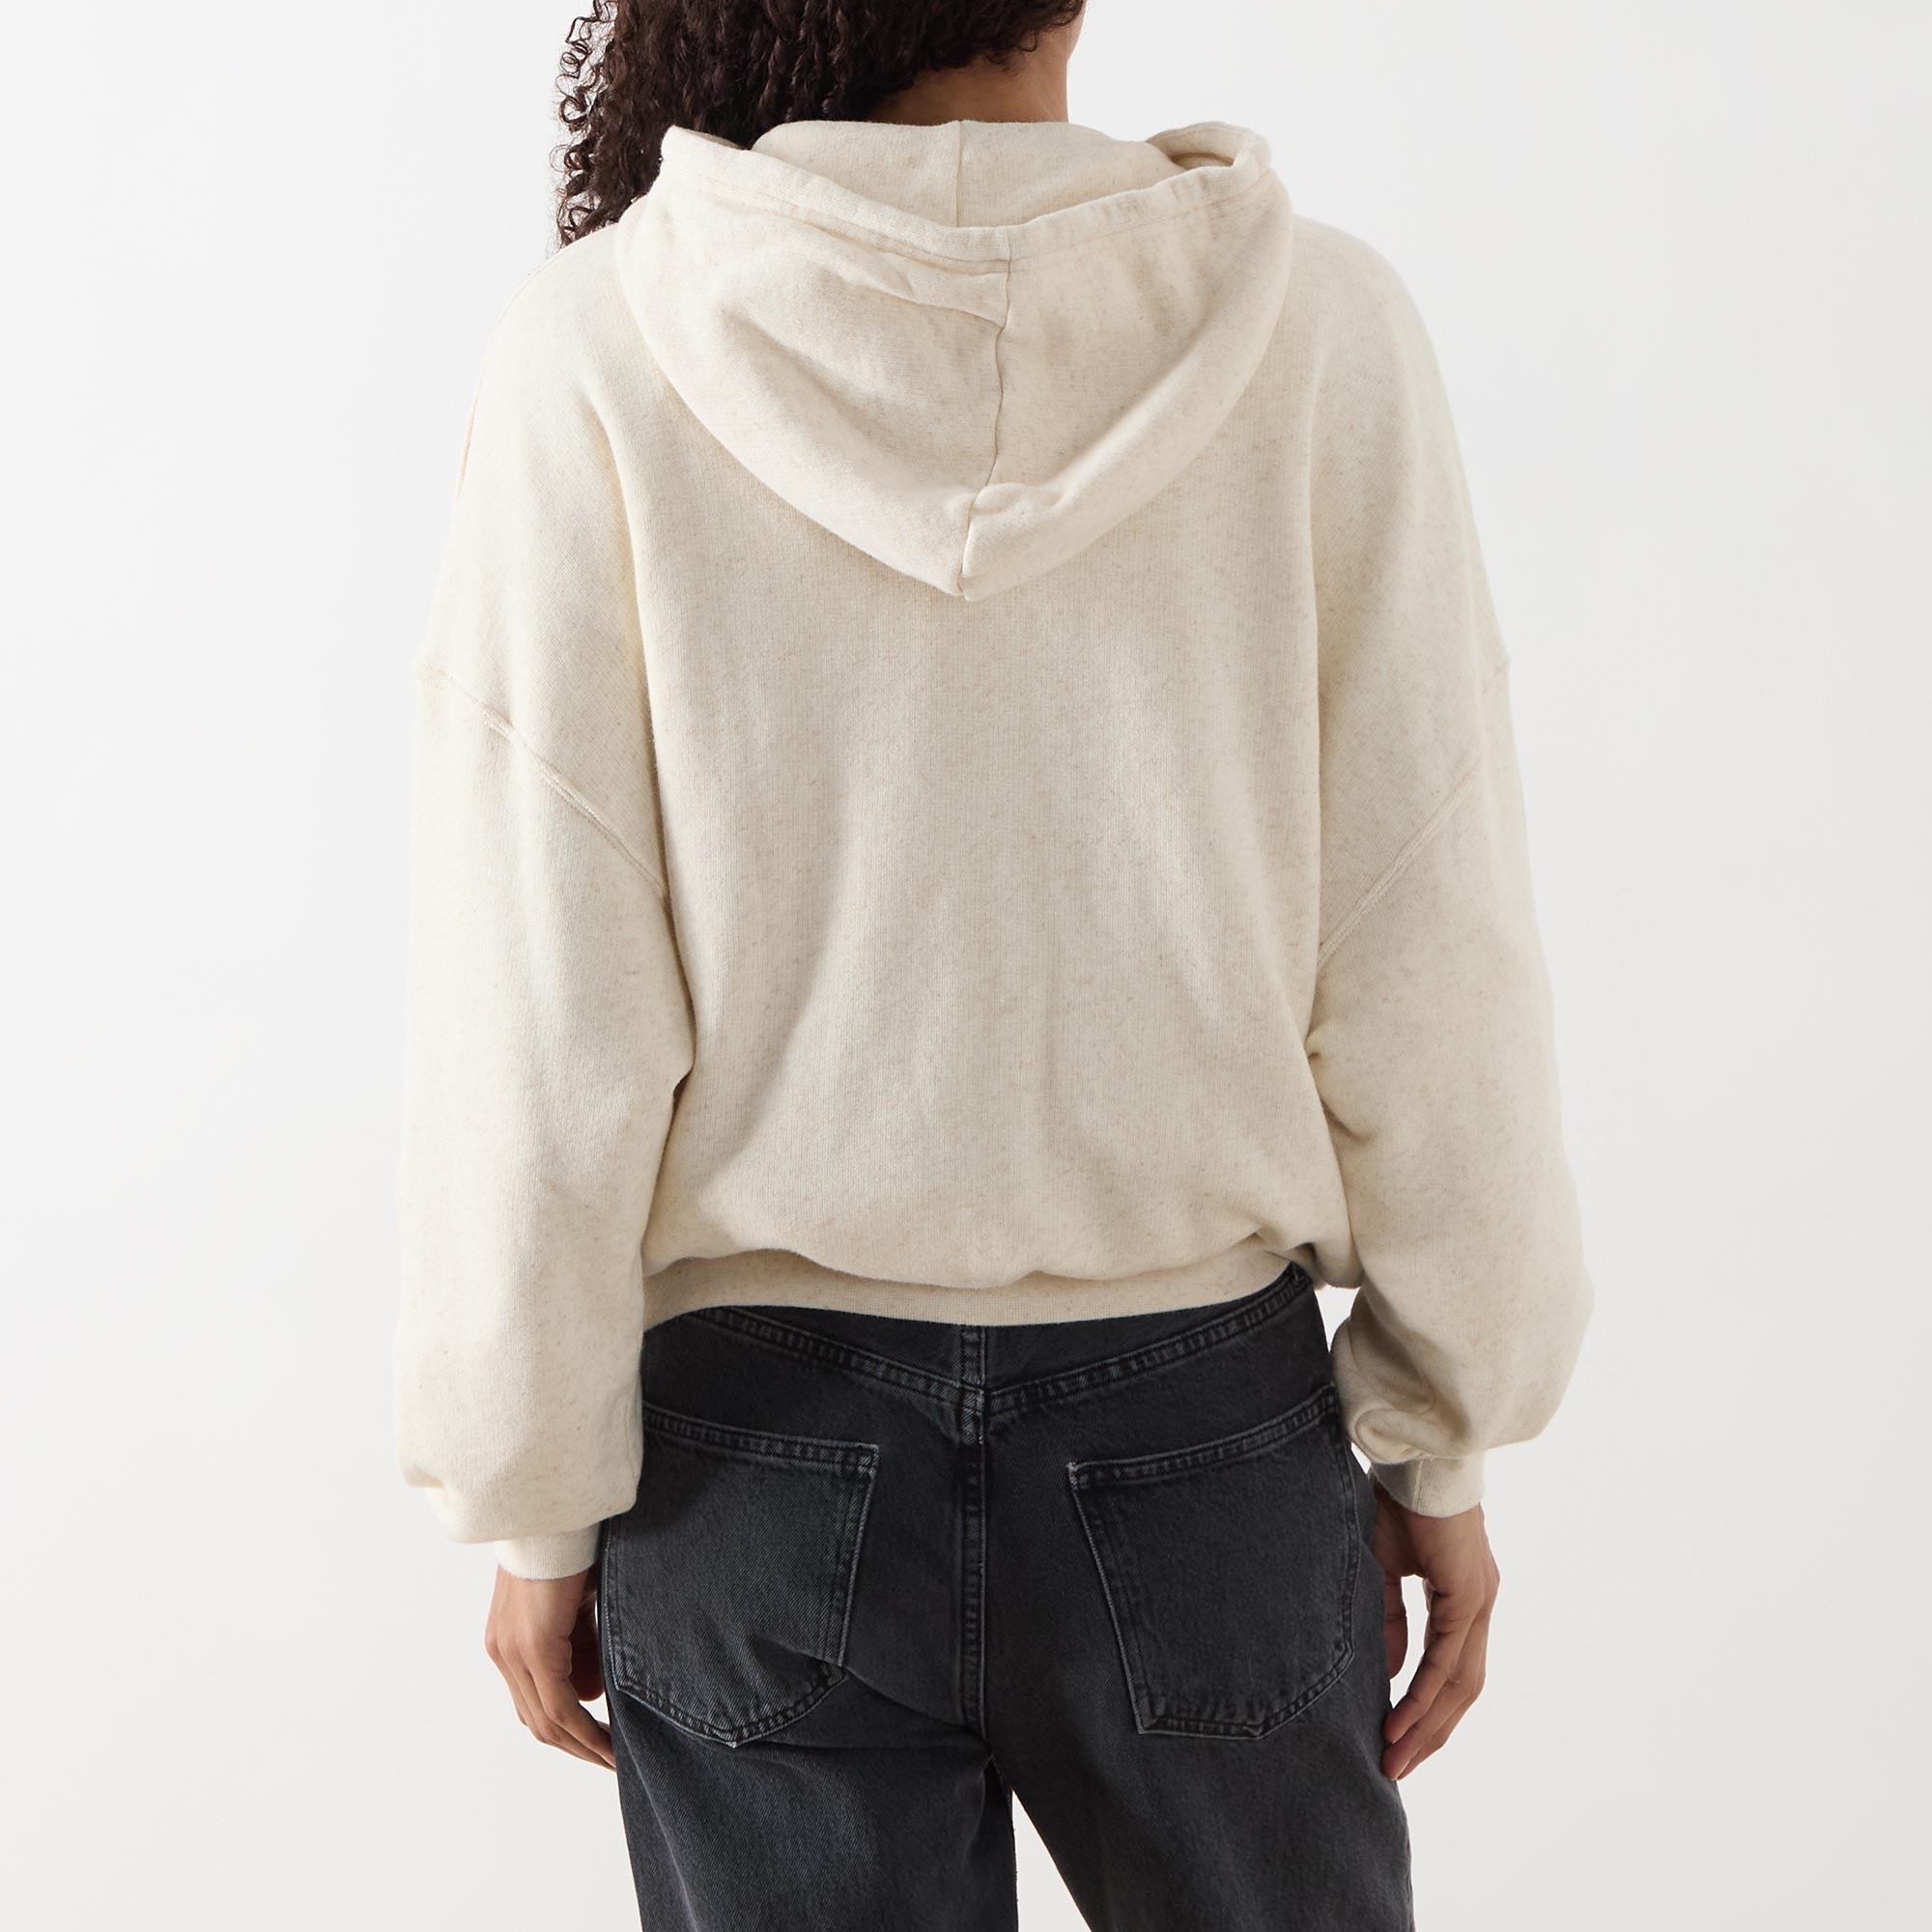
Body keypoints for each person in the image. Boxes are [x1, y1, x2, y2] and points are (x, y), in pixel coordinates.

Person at [393, 3, 1592, 1925]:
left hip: (754, 1462)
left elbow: (542, 979)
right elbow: (1424, 930)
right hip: (1200, 1433)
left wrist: (531, 1486)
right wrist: (1442, 1433)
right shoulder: (1314, 330)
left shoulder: (602, 344)